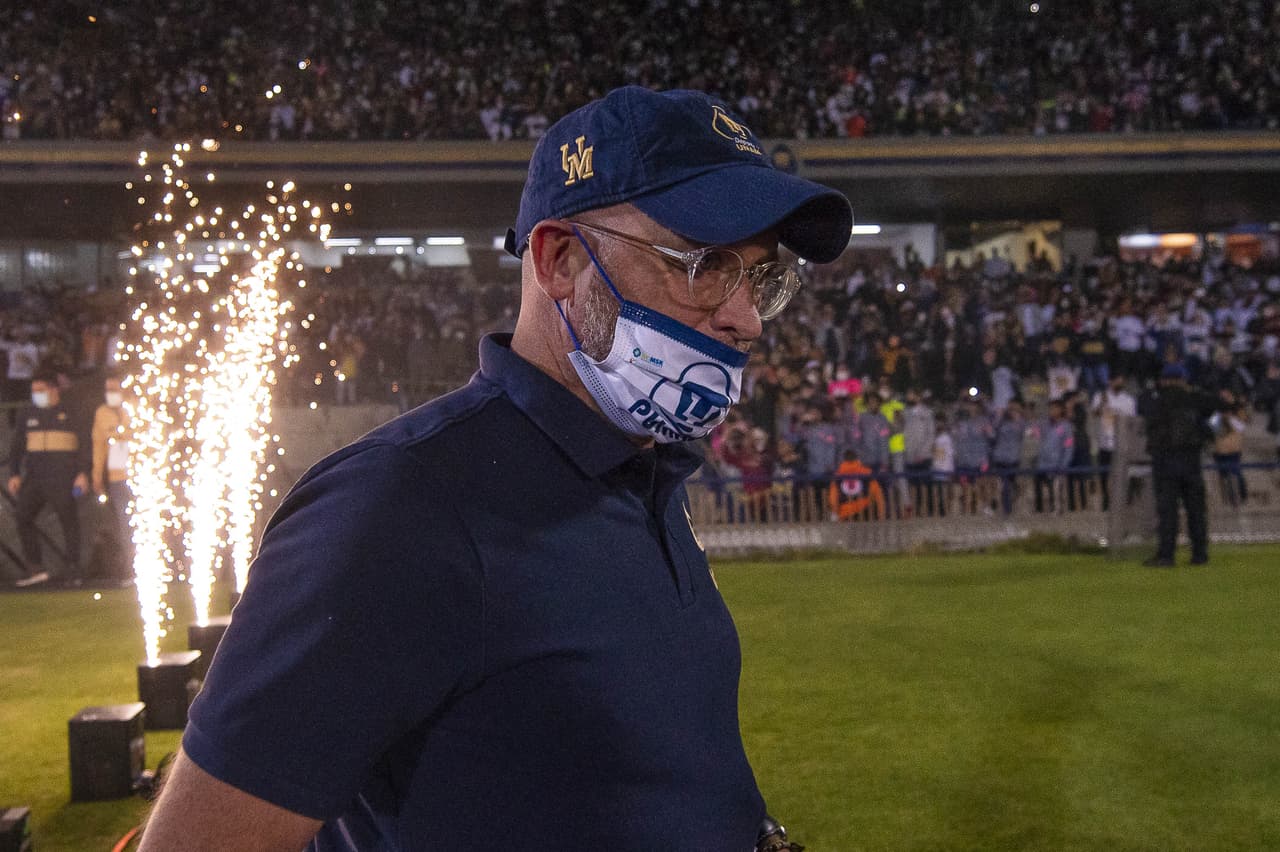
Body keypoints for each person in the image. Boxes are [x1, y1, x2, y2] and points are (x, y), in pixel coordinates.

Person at [139, 86, 851, 851]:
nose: (746, 319)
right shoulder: (396, 509)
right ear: (560, 260)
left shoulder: (649, 473)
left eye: (760, 279)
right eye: (706, 265)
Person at [8, 371, 90, 587]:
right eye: (34, 391)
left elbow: (84, 444)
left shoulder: (71, 412)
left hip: (63, 477)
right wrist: (14, 473)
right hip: (35, 477)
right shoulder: (27, 413)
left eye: (40, 390)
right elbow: (17, 446)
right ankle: (36, 568)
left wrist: (83, 473)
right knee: (22, 516)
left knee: (68, 521)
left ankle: (73, 569)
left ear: (54, 390)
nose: (36, 395)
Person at [1138, 363, 1222, 567]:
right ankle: (1200, 554)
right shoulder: (1195, 399)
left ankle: (1166, 555)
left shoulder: (1157, 400)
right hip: (1191, 460)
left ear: (1164, 380)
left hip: (1166, 460)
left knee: (1168, 511)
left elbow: (1144, 414)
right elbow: (1217, 409)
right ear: (1183, 380)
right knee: (1196, 510)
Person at [91, 374, 132, 580]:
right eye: (108, 390)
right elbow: (99, 446)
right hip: (117, 476)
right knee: (125, 524)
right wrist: (97, 475)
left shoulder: (134, 408)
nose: (111, 394)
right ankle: (132, 569)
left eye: (114, 389)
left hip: (139, 474)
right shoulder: (102, 413)